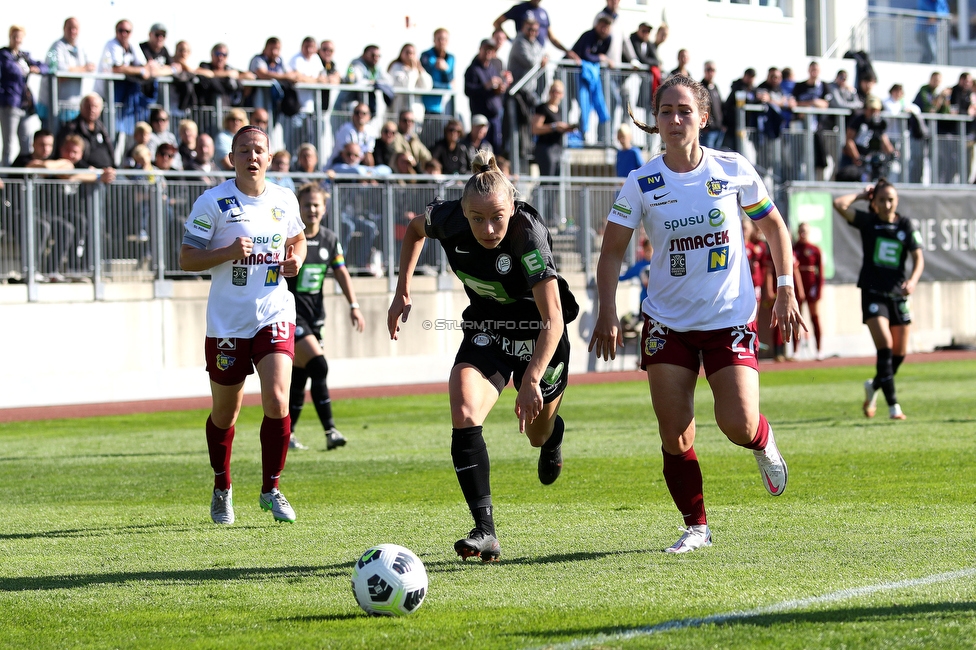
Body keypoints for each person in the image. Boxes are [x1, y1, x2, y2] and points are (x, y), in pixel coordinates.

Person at [589, 75, 801, 554]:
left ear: (703, 117)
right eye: (666, 111)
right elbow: (610, 254)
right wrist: (606, 311)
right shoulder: (641, 181)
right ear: (656, 120)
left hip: (729, 319)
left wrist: (785, 290)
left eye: (685, 110)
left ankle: (763, 443)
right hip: (667, 322)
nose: (675, 119)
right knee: (675, 432)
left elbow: (774, 228)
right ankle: (696, 526)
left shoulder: (732, 168)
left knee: (738, 426)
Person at [388, 150, 579, 562]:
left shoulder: (527, 236)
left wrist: (529, 380)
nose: (489, 228)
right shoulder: (448, 219)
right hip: (489, 328)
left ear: (513, 207)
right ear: (462, 212)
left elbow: (554, 321)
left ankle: (553, 436)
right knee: (462, 402)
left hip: (539, 337)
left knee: (536, 435)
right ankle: (485, 529)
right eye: (477, 219)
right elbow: (414, 231)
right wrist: (402, 288)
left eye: (498, 217)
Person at [179, 125, 307, 525]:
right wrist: (227, 251)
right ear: (231, 158)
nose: (252, 157)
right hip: (227, 324)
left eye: (259, 150)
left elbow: (298, 239)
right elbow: (186, 258)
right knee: (225, 413)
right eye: (244, 150)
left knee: (277, 399)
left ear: (269, 158)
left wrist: (297, 260)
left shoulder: (284, 199)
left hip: (273, 311)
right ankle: (222, 487)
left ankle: (272, 488)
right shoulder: (212, 201)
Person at [832, 179, 924, 421]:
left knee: (900, 353)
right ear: (876, 202)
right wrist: (862, 195)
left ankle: (873, 385)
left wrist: (912, 281)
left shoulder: (905, 224)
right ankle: (894, 406)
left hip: (898, 294)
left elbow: (919, 258)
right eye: (882, 199)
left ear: (897, 201)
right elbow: (838, 204)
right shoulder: (869, 222)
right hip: (873, 293)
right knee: (885, 345)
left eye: (891, 199)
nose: (887, 204)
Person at [287, 182, 365, 451]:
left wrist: (354, 304)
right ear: (299, 207)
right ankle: (330, 431)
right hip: (291, 316)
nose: (312, 209)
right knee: (319, 366)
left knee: (300, 377)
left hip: (315, 317)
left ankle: (287, 435)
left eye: (316, 205)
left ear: (325, 208)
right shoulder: (290, 238)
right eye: (307, 204)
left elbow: (341, 272)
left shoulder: (330, 239)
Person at [1, 25, 47, 167]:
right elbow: (14, 71)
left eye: (19, 37)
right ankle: (5, 176)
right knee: (9, 144)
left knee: (26, 144)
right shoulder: (4, 55)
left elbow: (45, 66)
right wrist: (26, 69)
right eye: (14, 36)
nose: (17, 40)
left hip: (25, 105)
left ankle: (23, 175)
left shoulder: (24, 56)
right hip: (10, 104)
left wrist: (37, 69)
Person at [44, 17, 97, 122]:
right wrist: (82, 69)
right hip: (55, 105)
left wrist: (72, 71)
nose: (73, 31)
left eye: (75, 28)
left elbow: (91, 66)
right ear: (64, 29)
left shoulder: (81, 47)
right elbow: (59, 70)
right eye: (70, 28)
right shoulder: (57, 46)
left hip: (74, 105)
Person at [464, 39, 510, 154]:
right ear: (480, 49)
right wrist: (486, 86)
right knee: (480, 150)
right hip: (480, 117)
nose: (488, 52)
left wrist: (500, 89)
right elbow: (468, 90)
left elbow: (493, 91)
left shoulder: (493, 68)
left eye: (491, 50)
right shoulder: (473, 69)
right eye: (486, 49)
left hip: (494, 117)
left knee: (495, 149)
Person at [794, 222, 824, 359]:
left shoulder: (815, 249)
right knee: (796, 318)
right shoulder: (794, 248)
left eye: (805, 231)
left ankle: (819, 349)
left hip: (811, 285)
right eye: (801, 231)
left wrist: (819, 289)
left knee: (814, 317)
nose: (803, 233)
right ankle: (795, 350)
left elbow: (821, 273)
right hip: (797, 285)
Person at [531, 80, 573, 176]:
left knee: (556, 182)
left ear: (562, 95)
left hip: (557, 147)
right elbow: (535, 128)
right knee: (547, 180)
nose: (555, 94)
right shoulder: (543, 108)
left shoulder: (561, 110)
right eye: (553, 91)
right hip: (545, 148)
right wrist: (554, 127)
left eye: (558, 92)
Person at [388, 43, 432, 122]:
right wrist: (413, 71)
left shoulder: (419, 70)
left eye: (413, 53)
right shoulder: (396, 67)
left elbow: (427, 86)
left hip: (415, 110)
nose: (410, 55)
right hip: (399, 108)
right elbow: (406, 86)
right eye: (407, 52)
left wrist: (420, 70)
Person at [420, 28, 455, 115]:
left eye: (444, 39)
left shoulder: (451, 58)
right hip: (426, 105)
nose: (441, 42)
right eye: (439, 39)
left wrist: (445, 69)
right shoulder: (426, 56)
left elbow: (451, 78)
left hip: (442, 105)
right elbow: (428, 83)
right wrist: (448, 86)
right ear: (434, 40)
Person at [700, 61, 724, 150]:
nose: (711, 72)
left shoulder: (715, 87)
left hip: (718, 129)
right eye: (708, 69)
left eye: (713, 70)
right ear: (704, 71)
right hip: (707, 130)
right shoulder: (700, 87)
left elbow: (720, 107)